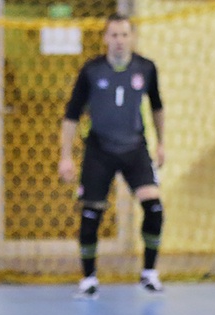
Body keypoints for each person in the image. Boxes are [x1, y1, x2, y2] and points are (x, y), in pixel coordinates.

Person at [58, 12, 165, 299]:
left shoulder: (146, 68)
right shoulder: (91, 71)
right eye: (114, 35)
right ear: (106, 38)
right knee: (91, 214)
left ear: (132, 37)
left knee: (154, 208)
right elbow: (71, 115)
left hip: (134, 149)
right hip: (99, 149)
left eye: (124, 35)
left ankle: (149, 273)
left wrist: (161, 143)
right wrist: (65, 155)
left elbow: (157, 107)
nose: (119, 40)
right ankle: (89, 278)